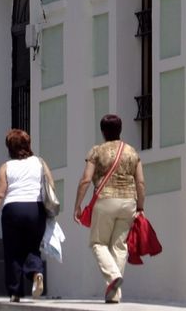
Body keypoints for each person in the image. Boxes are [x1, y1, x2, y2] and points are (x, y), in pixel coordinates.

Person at [73, 114, 145, 304]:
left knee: (98, 243)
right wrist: (140, 206)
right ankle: (114, 294)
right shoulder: (132, 152)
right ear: (120, 130)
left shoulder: (97, 151)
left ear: (103, 131)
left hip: (106, 200)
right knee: (119, 246)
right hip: (129, 201)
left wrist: (78, 204)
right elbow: (141, 182)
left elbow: (86, 180)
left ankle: (113, 276)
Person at [0, 129, 54, 302]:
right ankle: (36, 272)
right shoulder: (39, 162)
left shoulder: (6, 167)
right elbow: (50, 184)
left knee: (13, 251)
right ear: (28, 145)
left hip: (13, 210)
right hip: (35, 209)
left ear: (10, 148)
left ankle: (15, 292)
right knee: (33, 246)